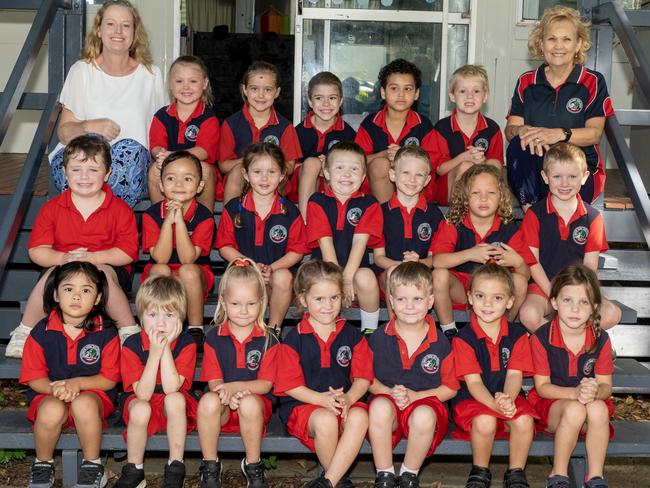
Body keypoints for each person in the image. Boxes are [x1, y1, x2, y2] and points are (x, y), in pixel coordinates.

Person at [7, 135, 139, 359]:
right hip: (64, 264)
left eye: (93, 170)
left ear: (107, 173)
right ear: (65, 172)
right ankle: (25, 330)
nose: (84, 176)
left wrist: (95, 259)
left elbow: (126, 253)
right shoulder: (53, 208)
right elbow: (37, 250)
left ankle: (128, 330)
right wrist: (63, 258)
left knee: (104, 273)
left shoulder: (119, 209)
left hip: (107, 266)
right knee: (51, 274)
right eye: (76, 169)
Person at [49, 0, 167, 208]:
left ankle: (96, 230)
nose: (118, 31)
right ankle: (100, 230)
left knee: (131, 150)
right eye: (111, 24)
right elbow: (64, 133)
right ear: (99, 30)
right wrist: (89, 126)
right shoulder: (82, 71)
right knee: (88, 165)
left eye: (126, 25)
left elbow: (162, 131)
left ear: (134, 32)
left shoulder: (151, 75)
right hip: (84, 161)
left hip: (131, 167)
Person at [19, 262, 119, 488]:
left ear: (97, 298)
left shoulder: (107, 332)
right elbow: (34, 378)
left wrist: (77, 383)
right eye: (68, 289)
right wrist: (56, 388)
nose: (76, 296)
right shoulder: (41, 332)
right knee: (51, 408)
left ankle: (93, 467)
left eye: (86, 290)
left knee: (83, 403)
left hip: (94, 397)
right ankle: (43, 465)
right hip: (51, 394)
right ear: (55, 294)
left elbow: (109, 379)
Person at [276, 260, 373, 488]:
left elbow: (363, 379)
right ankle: (338, 481)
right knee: (327, 420)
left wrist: (348, 398)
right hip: (305, 406)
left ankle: (329, 482)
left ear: (342, 297)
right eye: (319, 299)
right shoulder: (293, 339)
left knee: (360, 417)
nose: (328, 305)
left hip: (345, 403)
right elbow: (289, 386)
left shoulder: (353, 336)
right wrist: (321, 400)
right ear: (303, 299)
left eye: (334, 298)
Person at [505, 5, 614, 207]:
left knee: (560, 187)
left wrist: (559, 134)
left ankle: (545, 219)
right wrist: (523, 130)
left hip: (578, 172)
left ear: (578, 44)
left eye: (566, 39)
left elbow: (594, 134)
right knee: (518, 144)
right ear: (541, 43)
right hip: (539, 169)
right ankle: (530, 212)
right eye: (552, 39)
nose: (558, 46)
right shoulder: (527, 81)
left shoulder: (592, 81)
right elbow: (510, 130)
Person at [367, 262, 458, 488]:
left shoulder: (441, 343)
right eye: (401, 299)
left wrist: (416, 396)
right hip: (389, 404)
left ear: (430, 301)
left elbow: (450, 388)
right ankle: (385, 475)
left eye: (417, 299)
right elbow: (365, 379)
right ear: (391, 300)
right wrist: (389, 392)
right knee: (378, 407)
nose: (409, 306)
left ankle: (409, 476)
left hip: (426, 404)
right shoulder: (378, 338)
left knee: (423, 414)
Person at [518, 143, 621, 332]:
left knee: (612, 313)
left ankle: (577, 342)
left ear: (584, 177)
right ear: (545, 177)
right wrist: (554, 294)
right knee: (528, 314)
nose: (564, 183)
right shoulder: (535, 214)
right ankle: (558, 342)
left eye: (572, 177)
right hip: (544, 288)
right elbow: (532, 262)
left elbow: (590, 267)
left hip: (579, 288)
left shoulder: (592, 218)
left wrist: (577, 296)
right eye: (557, 176)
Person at [451, 264, 537, 488]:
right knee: (486, 420)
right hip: (472, 399)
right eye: (480, 296)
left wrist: (506, 399)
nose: (487, 304)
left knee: (524, 420)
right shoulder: (463, 338)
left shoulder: (518, 335)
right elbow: (474, 382)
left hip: (507, 395)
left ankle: (516, 472)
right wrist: (495, 405)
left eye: (497, 297)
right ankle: (480, 471)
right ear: (470, 297)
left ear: (510, 301)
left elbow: (514, 375)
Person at [529, 264, 614, 488]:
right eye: (567, 301)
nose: (575, 309)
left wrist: (595, 391)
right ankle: (558, 474)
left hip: (589, 407)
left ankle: (596, 476)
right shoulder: (541, 337)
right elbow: (542, 387)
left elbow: (606, 386)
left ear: (594, 306)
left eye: (583, 302)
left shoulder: (601, 339)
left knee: (599, 407)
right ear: (554, 302)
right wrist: (574, 393)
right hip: (553, 405)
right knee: (575, 409)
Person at [197, 258, 280, 488]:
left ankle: (253, 467)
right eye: (235, 304)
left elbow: (265, 385)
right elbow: (215, 382)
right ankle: (210, 466)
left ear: (261, 302)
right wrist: (227, 392)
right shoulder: (214, 337)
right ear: (223, 302)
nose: (244, 311)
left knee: (249, 404)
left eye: (251, 304)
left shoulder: (268, 340)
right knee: (207, 402)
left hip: (255, 409)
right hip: (222, 407)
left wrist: (236, 389)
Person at [431, 164, 534, 339]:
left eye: (491, 193)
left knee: (519, 281)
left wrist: (517, 262)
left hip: (492, 291)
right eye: (476, 193)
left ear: (501, 196)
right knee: (439, 275)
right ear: (465, 197)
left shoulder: (509, 229)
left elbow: (526, 274)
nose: (484, 199)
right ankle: (449, 330)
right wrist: (470, 254)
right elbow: (437, 261)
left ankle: (503, 330)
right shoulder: (453, 223)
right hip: (461, 289)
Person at [216, 142, 309, 334]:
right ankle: (244, 331)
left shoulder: (290, 212)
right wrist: (249, 265)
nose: (264, 178)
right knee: (239, 279)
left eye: (272, 172)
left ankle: (273, 331)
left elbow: (297, 251)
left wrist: (271, 268)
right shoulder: (234, 208)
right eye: (257, 172)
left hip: (276, 280)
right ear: (245, 175)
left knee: (283, 276)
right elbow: (224, 246)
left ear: (282, 174)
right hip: (244, 272)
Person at [115, 276, 197, 488]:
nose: (161, 322)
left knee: (175, 399)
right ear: (141, 317)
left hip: (173, 408)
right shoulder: (132, 344)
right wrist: (154, 354)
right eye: (152, 314)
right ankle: (134, 469)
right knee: (140, 407)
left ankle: (175, 466)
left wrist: (166, 348)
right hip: (143, 402)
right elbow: (142, 394)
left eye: (169, 314)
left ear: (181, 317)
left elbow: (171, 388)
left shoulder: (187, 343)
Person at [141, 151, 215, 349]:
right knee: (160, 270)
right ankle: (157, 326)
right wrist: (168, 221)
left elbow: (188, 258)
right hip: (163, 267)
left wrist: (180, 221)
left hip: (195, 274)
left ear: (199, 186)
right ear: (162, 186)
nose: (179, 185)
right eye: (171, 178)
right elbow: (160, 257)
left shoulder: (205, 217)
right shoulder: (151, 215)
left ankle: (196, 328)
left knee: (187, 271)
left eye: (187, 179)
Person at [306, 141, 382, 333]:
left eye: (354, 169)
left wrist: (347, 279)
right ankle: (324, 332)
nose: (347, 174)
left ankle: (369, 332)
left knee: (367, 277)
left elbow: (360, 242)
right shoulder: (317, 201)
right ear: (327, 173)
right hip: (324, 269)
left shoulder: (370, 204)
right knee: (321, 284)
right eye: (340, 168)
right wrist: (337, 282)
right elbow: (325, 242)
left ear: (363, 176)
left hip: (354, 273)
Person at [373, 146, 444, 317]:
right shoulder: (380, 212)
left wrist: (419, 262)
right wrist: (401, 267)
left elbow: (436, 259)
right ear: (392, 175)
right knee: (392, 273)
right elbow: (378, 258)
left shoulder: (434, 214)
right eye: (405, 173)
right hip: (388, 276)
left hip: (421, 276)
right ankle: (393, 328)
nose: (412, 180)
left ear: (427, 180)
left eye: (419, 175)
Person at [355, 59, 437, 203]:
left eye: (407, 89)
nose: (401, 94)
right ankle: (389, 219)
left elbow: (433, 163)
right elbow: (357, 161)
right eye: (394, 88)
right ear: (383, 92)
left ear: (417, 94)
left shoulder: (424, 125)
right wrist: (383, 154)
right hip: (377, 190)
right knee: (380, 164)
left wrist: (404, 157)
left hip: (416, 189)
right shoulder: (370, 124)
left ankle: (411, 214)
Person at [218, 61, 302, 203]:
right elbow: (224, 165)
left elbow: (289, 167)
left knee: (276, 175)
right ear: (245, 90)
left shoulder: (285, 127)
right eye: (254, 89)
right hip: (241, 180)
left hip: (273, 182)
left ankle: (272, 220)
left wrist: (266, 167)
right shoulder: (230, 124)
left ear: (277, 92)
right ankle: (230, 221)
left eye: (268, 89)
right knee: (238, 170)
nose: (261, 95)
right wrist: (253, 162)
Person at [148, 55, 219, 209]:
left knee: (205, 170)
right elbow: (156, 147)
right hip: (170, 166)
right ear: (170, 85)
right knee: (154, 170)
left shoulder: (208, 118)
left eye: (193, 81)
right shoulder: (161, 116)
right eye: (179, 81)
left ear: (204, 83)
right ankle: (160, 219)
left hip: (196, 168)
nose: (186, 87)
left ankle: (204, 221)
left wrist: (173, 156)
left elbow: (204, 151)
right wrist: (161, 155)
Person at [430, 65, 504, 206]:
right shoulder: (442, 128)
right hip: (447, 190)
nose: (470, 96)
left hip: (481, 187)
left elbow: (497, 166)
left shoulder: (492, 128)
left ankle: (485, 206)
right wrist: (465, 157)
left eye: (476, 91)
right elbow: (440, 169)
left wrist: (481, 162)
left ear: (485, 96)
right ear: (452, 96)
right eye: (463, 91)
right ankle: (458, 213)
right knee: (465, 166)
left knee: (493, 163)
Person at [294, 71, 357, 217]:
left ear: (341, 101)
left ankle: (337, 219)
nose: (326, 104)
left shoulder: (348, 134)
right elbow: (288, 167)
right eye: (319, 98)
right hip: (303, 184)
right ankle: (305, 222)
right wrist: (315, 165)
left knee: (337, 168)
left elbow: (355, 167)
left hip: (334, 183)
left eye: (332, 98)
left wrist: (328, 166)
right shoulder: (297, 131)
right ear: (310, 101)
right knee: (311, 164)